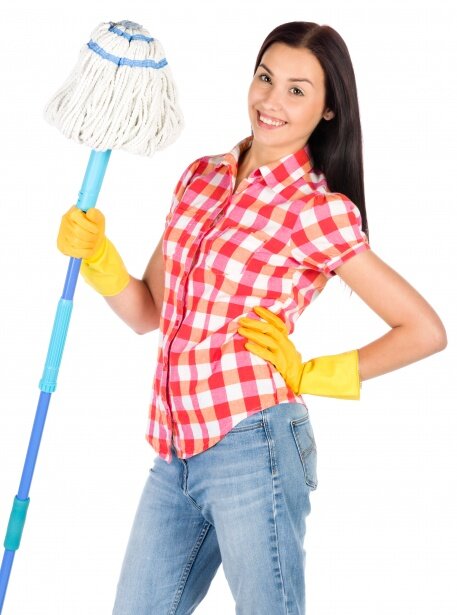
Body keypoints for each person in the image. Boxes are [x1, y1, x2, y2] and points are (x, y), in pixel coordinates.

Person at [57, 20, 447, 615]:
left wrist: (311, 373)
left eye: (297, 90)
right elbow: (147, 313)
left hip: (254, 443)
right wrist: (99, 258)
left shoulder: (316, 210)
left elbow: (424, 331)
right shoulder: (201, 178)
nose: (271, 101)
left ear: (328, 109)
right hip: (175, 449)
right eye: (266, 78)